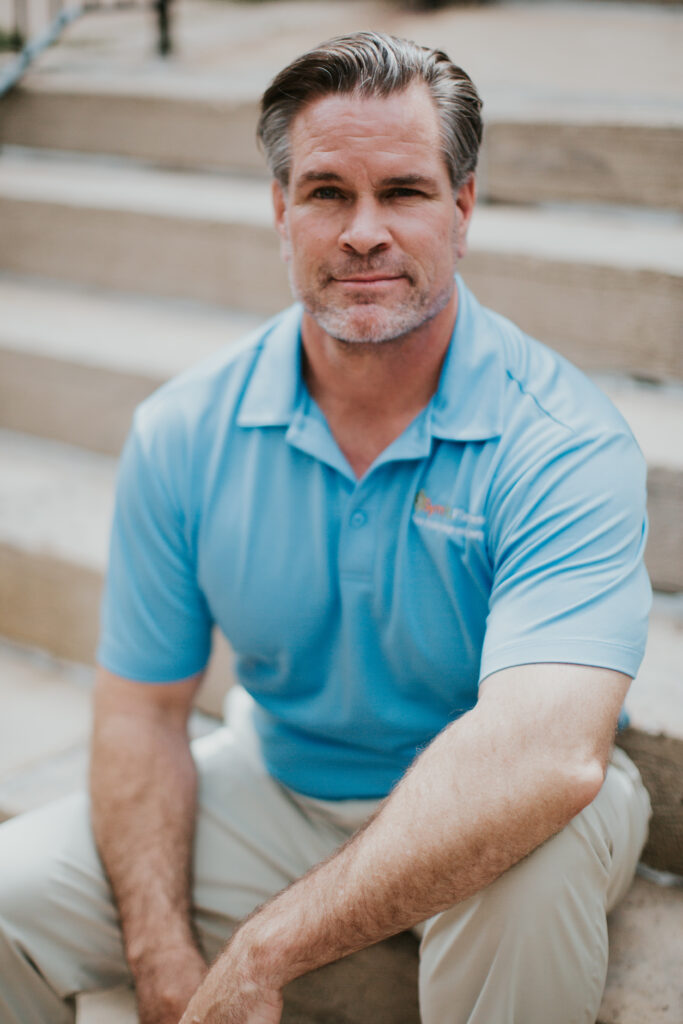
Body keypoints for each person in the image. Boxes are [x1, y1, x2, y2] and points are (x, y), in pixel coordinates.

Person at [0, 31, 652, 1024]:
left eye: (401, 192)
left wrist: (265, 949)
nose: (361, 232)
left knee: (538, 852)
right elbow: (141, 712)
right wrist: (161, 953)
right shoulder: (184, 430)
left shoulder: (560, 441)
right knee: (10, 896)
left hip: (507, 808)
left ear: (462, 209)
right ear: (278, 209)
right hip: (287, 787)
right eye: (324, 193)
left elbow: (546, 756)